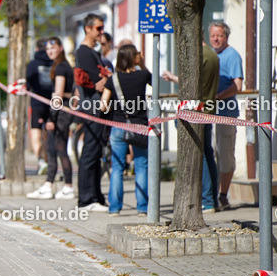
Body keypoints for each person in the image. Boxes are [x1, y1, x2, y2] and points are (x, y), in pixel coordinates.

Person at [162, 41, 220, 212]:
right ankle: (213, 201)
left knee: (200, 155)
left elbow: (191, 83)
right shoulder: (212, 54)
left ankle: (208, 201)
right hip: (207, 110)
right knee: (208, 154)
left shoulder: (198, 55)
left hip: (195, 111)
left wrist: (173, 78)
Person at [99, 44, 150, 215]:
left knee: (118, 167)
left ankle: (114, 208)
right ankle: (142, 207)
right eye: (137, 54)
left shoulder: (113, 79)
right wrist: (142, 64)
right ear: (133, 57)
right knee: (141, 166)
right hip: (139, 126)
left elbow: (103, 106)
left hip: (119, 126)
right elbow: (154, 83)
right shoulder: (143, 75)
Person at [27, 37, 75, 200]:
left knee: (59, 149)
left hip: (60, 114)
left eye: (53, 48)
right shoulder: (61, 65)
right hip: (62, 111)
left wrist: (51, 119)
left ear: (61, 48)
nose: (50, 52)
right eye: (47, 49)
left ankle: (68, 186)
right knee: (52, 149)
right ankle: (49, 184)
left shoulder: (61, 67)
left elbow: (58, 95)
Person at [73, 14, 111, 211]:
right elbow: (96, 83)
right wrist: (106, 79)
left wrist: (106, 79)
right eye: (98, 28)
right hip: (91, 106)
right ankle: (86, 199)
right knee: (90, 151)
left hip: (98, 107)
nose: (101, 32)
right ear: (88, 29)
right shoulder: (84, 52)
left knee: (97, 151)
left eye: (102, 28)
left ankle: (96, 197)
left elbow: (105, 79)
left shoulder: (94, 52)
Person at [208, 21, 243, 210]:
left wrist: (217, 97)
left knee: (225, 155)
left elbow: (237, 86)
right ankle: (210, 195)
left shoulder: (232, 55)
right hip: (208, 114)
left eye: (219, 35)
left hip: (226, 113)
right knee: (209, 154)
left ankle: (223, 195)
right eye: (213, 35)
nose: (215, 39)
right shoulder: (209, 55)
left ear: (226, 37)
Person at [24, 39, 52, 176]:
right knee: (49, 134)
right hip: (53, 104)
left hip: (36, 104)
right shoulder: (54, 63)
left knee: (36, 134)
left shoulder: (32, 65)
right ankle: (49, 159)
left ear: (36, 49)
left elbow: (27, 85)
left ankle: (41, 161)